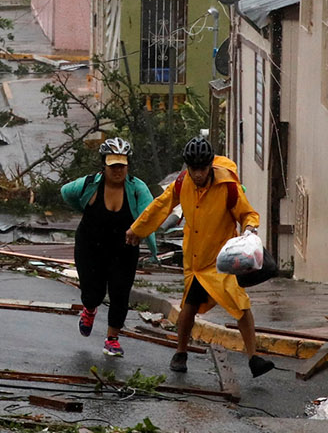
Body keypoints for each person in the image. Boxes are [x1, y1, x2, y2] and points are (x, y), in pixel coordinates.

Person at [127, 135, 276, 378]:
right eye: (193, 168)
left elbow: (247, 213)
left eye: (202, 168)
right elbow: (160, 206)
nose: (197, 174)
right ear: (188, 166)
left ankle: (254, 357)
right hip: (196, 260)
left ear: (210, 166)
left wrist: (250, 229)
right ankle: (180, 352)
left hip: (223, 260)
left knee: (241, 305)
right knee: (189, 307)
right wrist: (137, 229)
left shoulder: (228, 186)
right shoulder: (182, 183)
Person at [59, 137, 155, 358]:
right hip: (90, 246)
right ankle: (89, 309)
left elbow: (151, 212)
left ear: (128, 165)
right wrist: (83, 207)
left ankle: (112, 339)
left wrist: (144, 235)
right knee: (93, 291)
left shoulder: (137, 188)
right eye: (113, 165)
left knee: (120, 293)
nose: (117, 170)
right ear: (104, 165)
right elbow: (66, 192)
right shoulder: (91, 184)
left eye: (122, 165)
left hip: (123, 249)